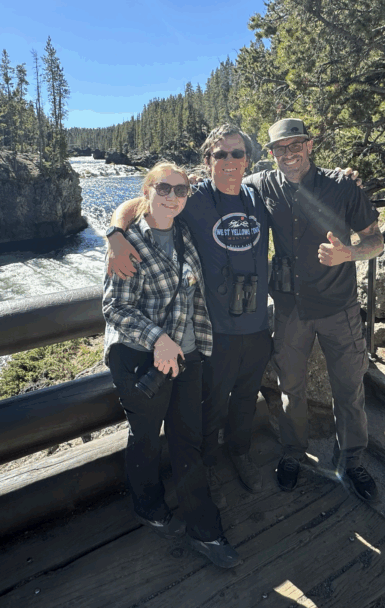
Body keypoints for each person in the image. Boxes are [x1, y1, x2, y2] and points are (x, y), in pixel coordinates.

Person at [106, 125, 273, 495]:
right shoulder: (192, 196)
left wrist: (342, 176)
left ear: (248, 159)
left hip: (258, 325)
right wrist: (116, 235)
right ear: (208, 160)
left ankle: (240, 453)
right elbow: (140, 201)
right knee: (211, 405)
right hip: (217, 329)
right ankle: (209, 461)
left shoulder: (259, 193)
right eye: (221, 154)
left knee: (246, 397)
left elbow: (298, 180)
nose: (230, 161)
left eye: (237, 153)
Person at [102, 161, 242, 568]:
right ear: (146, 191)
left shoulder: (184, 233)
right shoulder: (128, 242)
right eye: (163, 189)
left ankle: (206, 529)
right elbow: (114, 307)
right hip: (138, 357)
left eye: (180, 191)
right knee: (145, 438)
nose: (172, 198)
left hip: (185, 355)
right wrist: (156, 339)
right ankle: (147, 505)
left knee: (188, 440)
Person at [244, 118, 384, 501]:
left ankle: (353, 460)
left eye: (295, 146)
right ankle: (293, 453)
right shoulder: (262, 185)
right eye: (279, 149)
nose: (288, 155)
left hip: (339, 306)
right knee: (292, 388)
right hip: (290, 310)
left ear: (309, 145)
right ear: (270, 154)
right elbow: (210, 191)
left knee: (350, 387)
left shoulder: (341, 185)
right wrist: (119, 230)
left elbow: (377, 241)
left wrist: (348, 254)